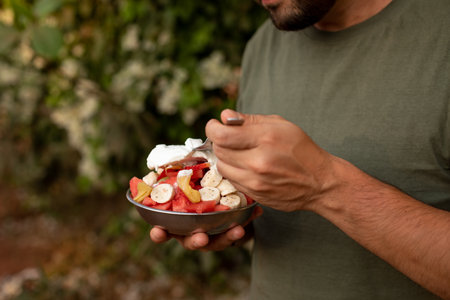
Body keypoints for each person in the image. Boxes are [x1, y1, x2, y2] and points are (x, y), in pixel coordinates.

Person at [150, 0, 450, 299]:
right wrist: (220, 218)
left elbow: (315, 187)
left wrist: (327, 187)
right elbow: (270, 206)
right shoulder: (263, 44)